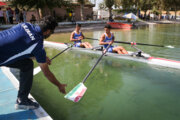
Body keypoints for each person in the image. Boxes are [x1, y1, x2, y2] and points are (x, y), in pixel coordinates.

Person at [0, 16, 67, 110]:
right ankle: (22, 100)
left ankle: (22, 99)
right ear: (47, 31)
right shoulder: (38, 45)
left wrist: (38, 57)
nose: (51, 34)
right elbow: (46, 73)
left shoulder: (25, 24)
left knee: (26, 64)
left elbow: (16, 45)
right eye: (52, 32)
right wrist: (59, 85)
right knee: (27, 65)